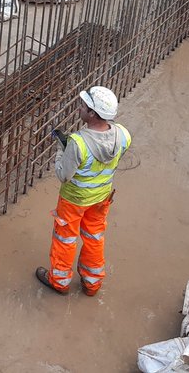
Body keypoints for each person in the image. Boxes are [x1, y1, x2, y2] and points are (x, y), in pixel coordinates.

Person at [36, 86, 130, 296]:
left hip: (74, 201)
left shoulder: (78, 143)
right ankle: (92, 283)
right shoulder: (123, 135)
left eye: (83, 106)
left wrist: (61, 151)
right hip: (101, 199)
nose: (79, 108)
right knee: (94, 237)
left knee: (65, 239)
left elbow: (63, 175)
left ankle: (59, 282)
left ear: (92, 113)